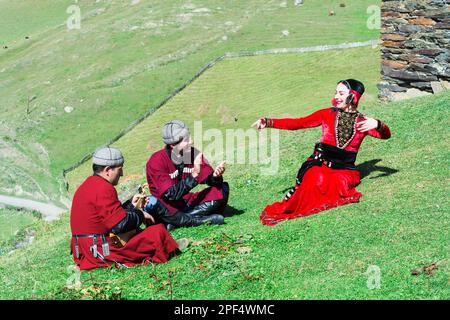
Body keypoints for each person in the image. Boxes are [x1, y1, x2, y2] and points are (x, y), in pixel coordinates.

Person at [252, 79, 391, 226]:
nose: (336, 96)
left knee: (339, 184)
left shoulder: (363, 122)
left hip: (344, 170)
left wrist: (378, 124)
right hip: (321, 164)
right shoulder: (326, 114)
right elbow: (298, 123)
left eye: (341, 93)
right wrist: (268, 122)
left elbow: (385, 135)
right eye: (336, 92)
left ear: (353, 97)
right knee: (315, 177)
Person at [70, 147, 179, 270]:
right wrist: (141, 214)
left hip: (85, 251)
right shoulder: (104, 188)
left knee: (142, 233)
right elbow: (119, 225)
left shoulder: (87, 185)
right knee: (157, 232)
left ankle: (168, 246)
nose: (121, 174)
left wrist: (130, 206)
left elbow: (106, 216)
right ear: (107, 170)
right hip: (99, 251)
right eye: (120, 169)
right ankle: (170, 248)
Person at [145, 120, 229, 230]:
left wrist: (215, 176)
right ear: (173, 145)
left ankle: (179, 221)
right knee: (162, 208)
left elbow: (209, 179)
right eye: (186, 140)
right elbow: (171, 195)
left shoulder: (192, 153)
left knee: (222, 189)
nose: (192, 141)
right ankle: (196, 221)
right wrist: (194, 174)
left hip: (187, 202)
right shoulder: (156, 161)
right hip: (167, 208)